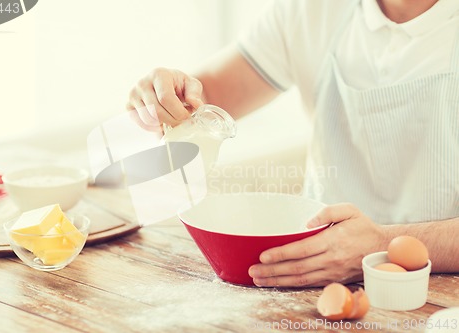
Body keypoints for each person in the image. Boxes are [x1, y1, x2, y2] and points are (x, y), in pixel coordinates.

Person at [126, 0, 459, 287]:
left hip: (442, 288)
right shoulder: (311, 10)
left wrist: (381, 245)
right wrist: (163, 96)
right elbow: (201, 101)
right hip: (308, 276)